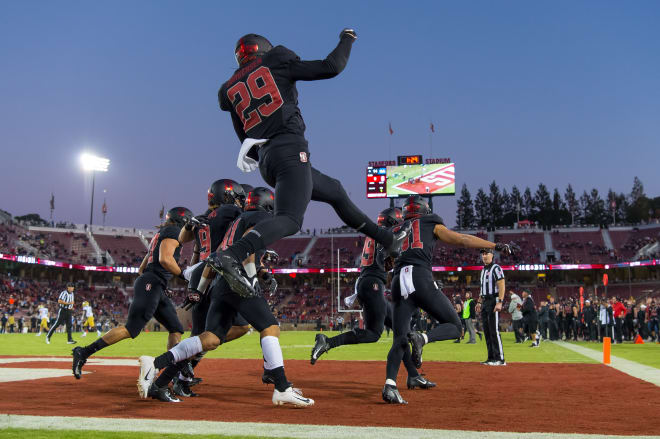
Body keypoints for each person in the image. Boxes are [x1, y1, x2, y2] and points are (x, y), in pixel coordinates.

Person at [210, 30, 408, 298]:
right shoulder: (276, 59)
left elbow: (244, 135)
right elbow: (331, 67)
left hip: (268, 159)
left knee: (335, 191)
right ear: (264, 49)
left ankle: (387, 239)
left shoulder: (229, 89)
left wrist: (266, 156)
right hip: (289, 150)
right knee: (290, 220)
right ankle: (231, 255)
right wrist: (347, 38)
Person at [138, 188, 314, 407]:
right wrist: (251, 277)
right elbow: (245, 252)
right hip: (235, 279)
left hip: (215, 277)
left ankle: (156, 366)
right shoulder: (250, 216)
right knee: (270, 327)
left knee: (210, 338)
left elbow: (216, 255)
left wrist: (200, 289)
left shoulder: (226, 219)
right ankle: (281, 385)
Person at [382, 195, 517, 404]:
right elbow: (462, 239)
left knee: (399, 338)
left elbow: (386, 262)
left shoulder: (396, 229)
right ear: (424, 209)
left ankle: (391, 384)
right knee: (455, 326)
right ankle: (423, 338)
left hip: (398, 281)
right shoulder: (430, 221)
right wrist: (495, 245)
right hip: (419, 276)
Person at [72, 207, 192, 399]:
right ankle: (83, 352)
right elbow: (165, 259)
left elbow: (142, 267)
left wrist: (159, 282)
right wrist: (185, 277)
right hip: (152, 283)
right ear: (182, 221)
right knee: (131, 329)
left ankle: (172, 373)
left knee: (176, 328)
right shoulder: (173, 231)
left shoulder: (162, 232)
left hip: (155, 284)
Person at [310, 208, 435, 390]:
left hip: (369, 283)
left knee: (402, 332)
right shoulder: (387, 233)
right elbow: (387, 254)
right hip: (372, 284)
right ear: (393, 222)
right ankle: (328, 342)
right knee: (373, 334)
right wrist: (407, 227)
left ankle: (414, 375)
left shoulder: (375, 234)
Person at [173, 179, 250, 396]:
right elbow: (249, 222)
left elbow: (182, 238)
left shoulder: (204, 216)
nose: (239, 201)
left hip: (200, 273)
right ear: (226, 196)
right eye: (236, 196)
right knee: (233, 329)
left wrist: (189, 224)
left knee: (200, 334)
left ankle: (181, 377)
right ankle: (172, 369)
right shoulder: (229, 212)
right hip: (216, 273)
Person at [478, 249, 508, 366]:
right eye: (483, 254)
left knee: (494, 330)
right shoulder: (483, 270)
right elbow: (482, 289)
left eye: (487, 254)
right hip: (485, 301)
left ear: (492, 255)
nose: (484, 256)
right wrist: (479, 302)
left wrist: (500, 301)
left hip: (493, 300)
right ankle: (491, 357)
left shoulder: (496, 268)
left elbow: (501, 285)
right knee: (487, 330)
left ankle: (500, 359)